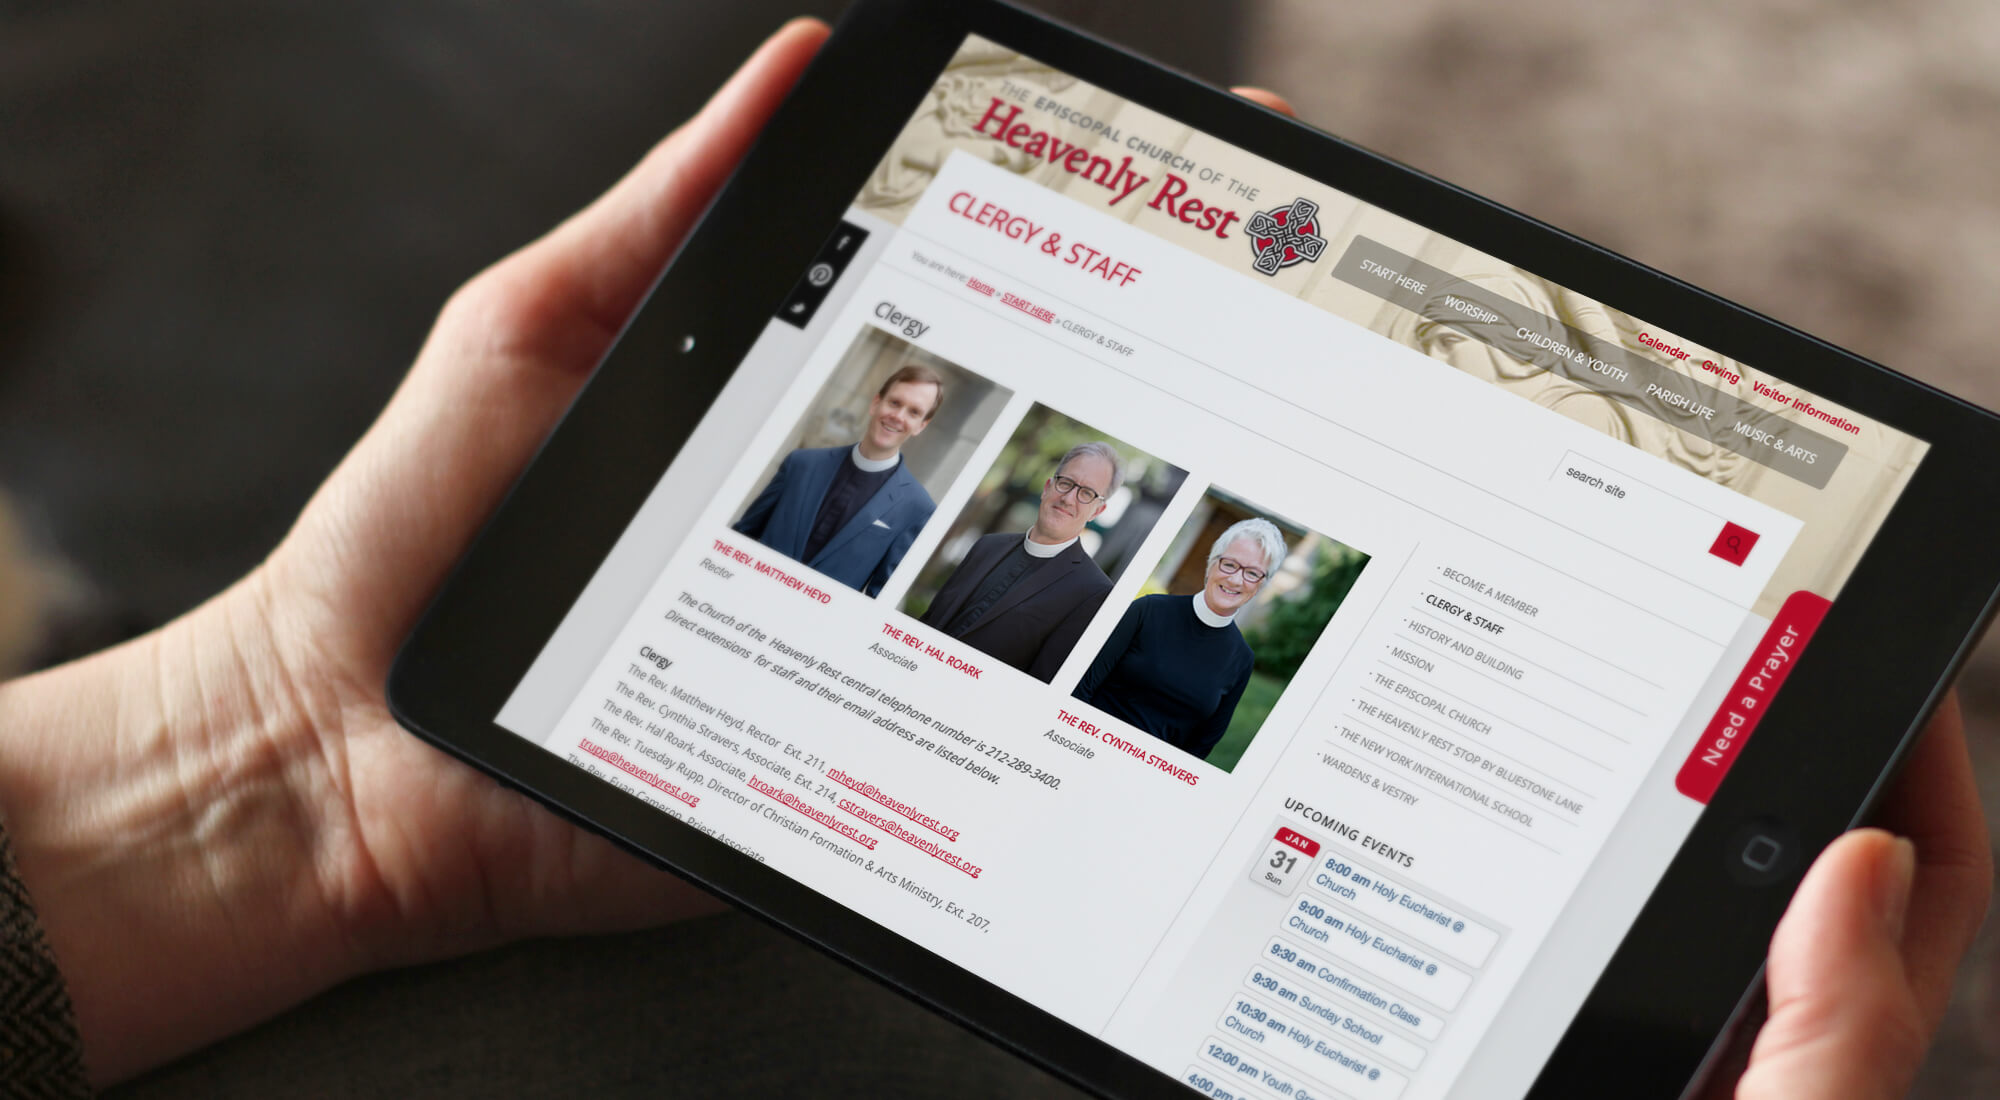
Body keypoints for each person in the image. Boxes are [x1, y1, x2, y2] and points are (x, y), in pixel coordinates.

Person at [0, 19, 1984, 1098]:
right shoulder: (912, 555)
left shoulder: (1150, 606)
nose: (911, 444)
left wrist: (275, 749)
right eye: (897, 422)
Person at [1075, 518, 1286, 760]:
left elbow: (1198, 750)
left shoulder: (1242, 660)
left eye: (1252, 573)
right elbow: (1082, 684)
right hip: (1085, 746)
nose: (1236, 580)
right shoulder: (1148, 610)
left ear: (1261, 585)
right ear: (1211, 565)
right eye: (1229, 564)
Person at [733, 363, 942, 596]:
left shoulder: (918, 507)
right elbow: (742, 535)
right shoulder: (801, 463)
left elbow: (879, 596)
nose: (898, 416)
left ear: (921, 426)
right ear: (876, 403)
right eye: (895, 403)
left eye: (914, 412)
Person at [920, 442, 1120, 682]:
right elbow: (930, 620)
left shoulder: (1093, 592)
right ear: (1048, 487)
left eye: (1087, 493)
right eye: (1065, 483)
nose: (1068, 498)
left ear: (1097, 512)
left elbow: (1039, 685)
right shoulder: (987, 546)